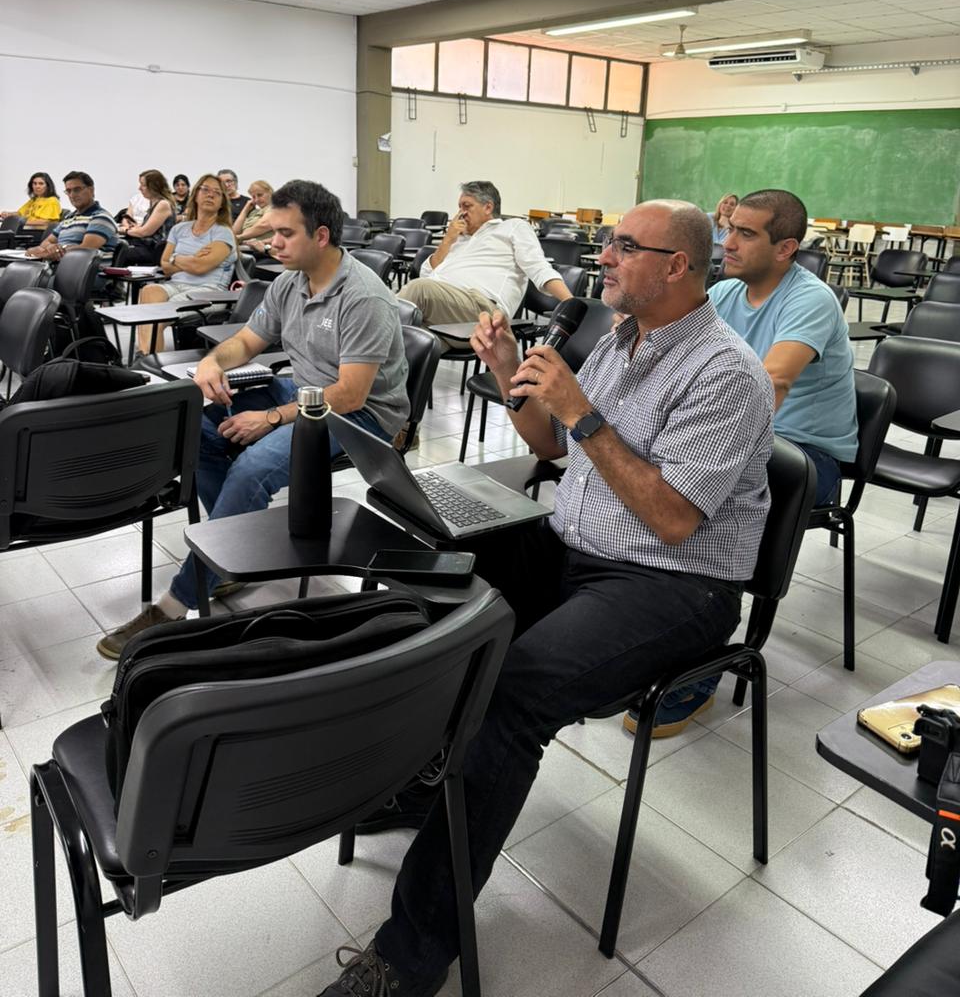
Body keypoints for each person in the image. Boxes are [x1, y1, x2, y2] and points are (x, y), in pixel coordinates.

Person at [317, 201, 775, 997]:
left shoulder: (727, 375)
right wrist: (509, 372)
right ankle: (427, 783)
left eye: (626, 246)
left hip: (673, 583)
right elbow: (550, 444)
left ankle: (412, 955)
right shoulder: (623, 339)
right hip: (575, 549)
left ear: (677, 265)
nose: (605, 257)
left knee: (514, 691)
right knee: (422, 585)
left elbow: (672, 518)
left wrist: (580, 411)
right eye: (609, 243)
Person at [97, 179, 410, 660]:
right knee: (197, 430)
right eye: (272, 231)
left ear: (321, 236)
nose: (273, 242)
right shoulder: (289, 282)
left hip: (360, 416)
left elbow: (350, 395)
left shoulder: (363, 297)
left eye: (285, 233)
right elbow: (246, 341)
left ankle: (176, 604)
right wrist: (211, 364)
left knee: (252, 468)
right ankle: (235, 549)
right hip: (304, 391)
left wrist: (271, 417)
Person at [626, 187, 858, 738]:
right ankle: (644, 621)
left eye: (745, 233)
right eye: (729, 229)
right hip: (750, 437)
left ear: (786, 249)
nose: (727, 242)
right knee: (658, 484)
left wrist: (714, 450)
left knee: (709, 504)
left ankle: (704, 659)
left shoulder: (810, 299)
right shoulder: (727, 292)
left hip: (805, 456)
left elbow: (772, 381)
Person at [398, 180, 572, 329]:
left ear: (488, 207)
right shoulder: (459, 237)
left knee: (415, 291)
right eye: (459, 207)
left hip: (483, 309)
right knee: (409, 342)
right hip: (441, 308)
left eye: (467, 206)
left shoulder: (513, 227)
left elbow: (539, 268)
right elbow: (426, 274)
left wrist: (573, 305)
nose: (460, 213)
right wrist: (448, 240)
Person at [134, 173, 237, 354]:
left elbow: (200, 268)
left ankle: (147, 359)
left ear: (222, 202)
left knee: (157, 314)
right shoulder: (179, 229)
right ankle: (148, 357)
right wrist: (191, 258)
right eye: (205, 190)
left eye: (217, 193)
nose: (210, 195)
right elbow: (165, 265)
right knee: (149, 291)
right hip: (175, 285)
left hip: (208, 290)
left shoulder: (223, 232)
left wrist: (176, 257)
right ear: (195, 195)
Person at [26, 171, 118, 262]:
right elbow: (47, 242)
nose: (72, 195)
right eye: (68, 191)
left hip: (83, 270)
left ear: (91, 190)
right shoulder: (69, 218)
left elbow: (85, 250)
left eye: (77, 189)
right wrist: (50, 247)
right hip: (58, 266)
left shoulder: (101, 217)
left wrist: (49, 252)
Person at [119, 170, 175, 266]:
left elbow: (145, 232)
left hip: (155, 250)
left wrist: (125, 230)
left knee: (120, 253)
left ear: (153, 187)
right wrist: (136, 227)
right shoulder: (154, 203)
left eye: (143, 185)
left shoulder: (163, 204)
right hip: (148, 246)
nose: (139, 188)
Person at [232, 179, 274, 257]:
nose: (257, 199)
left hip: (263, 253)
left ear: (270, 193)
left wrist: (240, 237)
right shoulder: (254, 212)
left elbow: (263, 225)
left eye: (260, 195)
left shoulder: (275, 208)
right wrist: (245, 210)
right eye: (253, 197)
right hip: (245, 252)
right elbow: (235, 232)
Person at [709, 192, 738, 257]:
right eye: (725, 202)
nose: (728, 206)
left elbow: (728, 247)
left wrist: (727, 226)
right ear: (720, 204)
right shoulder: (709, 217)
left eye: (732, 204)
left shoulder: (735, 227)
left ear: (736, 209)